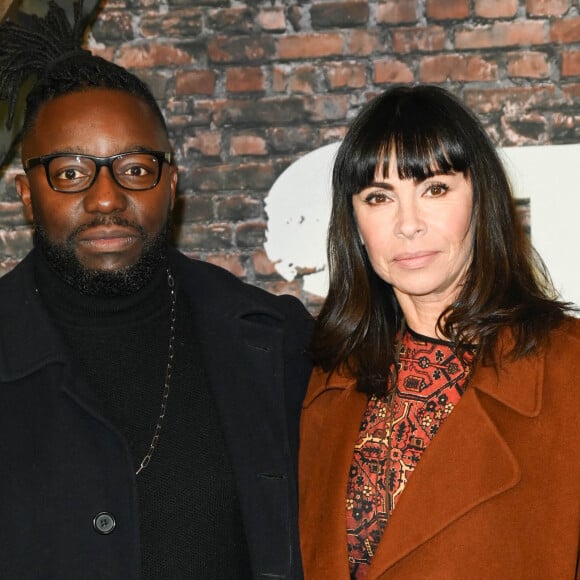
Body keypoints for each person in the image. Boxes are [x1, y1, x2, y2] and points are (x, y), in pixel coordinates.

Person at [0, 3, 312, 579]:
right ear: (26, 194)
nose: (105, 198)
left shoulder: (273, 342)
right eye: (71, 172)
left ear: (171, 183)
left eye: (135, 169)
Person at [299, 84, 580, 579]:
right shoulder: (327, 379)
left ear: (480, 199)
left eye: (435, 188)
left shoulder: (568, 367)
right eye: (379, 197)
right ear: (355, 221)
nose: (408, 224)